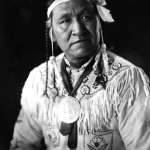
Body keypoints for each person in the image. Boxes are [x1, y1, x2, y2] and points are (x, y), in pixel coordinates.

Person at [10, 0, 150, 149]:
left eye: (86, 17)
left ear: (99, 23)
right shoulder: (40, 80)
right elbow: (23, 144)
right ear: (52, 34)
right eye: (65, 21)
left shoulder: (126, 79)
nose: (78, 29)